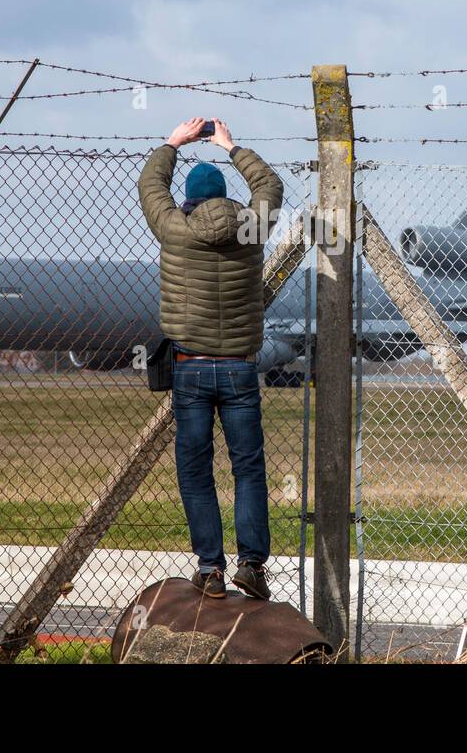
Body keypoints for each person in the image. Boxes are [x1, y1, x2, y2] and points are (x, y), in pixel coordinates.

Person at [137, 117, 284, 599]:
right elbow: (270, 185)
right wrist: (230, 146)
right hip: (241, 366)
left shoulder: (175, 230)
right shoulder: (251, 228)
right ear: (226, 197)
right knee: (248, 469)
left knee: (196, 469)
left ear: (190, 201)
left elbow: (150, 185)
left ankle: (210, 568)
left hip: (190, 367)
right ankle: (253, 566)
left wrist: (172, 142)